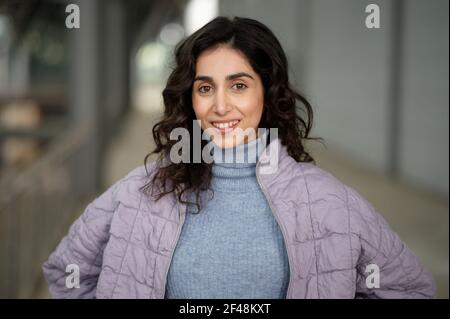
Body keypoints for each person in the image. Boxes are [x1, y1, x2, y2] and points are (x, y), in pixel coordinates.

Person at [42, 16, 436, 299]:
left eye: (239, 85)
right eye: (205, 88)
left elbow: (410, 288)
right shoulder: (141, 190)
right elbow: (68, 272)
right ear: (189, 98)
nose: (221, 106)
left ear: (268, 94)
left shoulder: (330, 203)